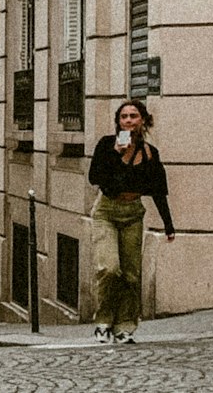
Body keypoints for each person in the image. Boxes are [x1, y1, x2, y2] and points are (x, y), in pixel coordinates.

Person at [88, 98, 174, 345]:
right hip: (106, 211)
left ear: (143, 121)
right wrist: (116, 156)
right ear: (118, 122)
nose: (128, 120)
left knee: (131, 275)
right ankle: (103, 322)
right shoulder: (106, 145)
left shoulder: (149, 154)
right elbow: (96, 178)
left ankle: (124, 326)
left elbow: (159, 191)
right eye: (123, 117)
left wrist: (169, 226)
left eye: (133, 116)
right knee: (109, 268)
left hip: (133, 213)